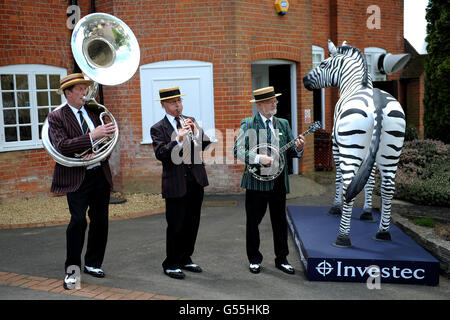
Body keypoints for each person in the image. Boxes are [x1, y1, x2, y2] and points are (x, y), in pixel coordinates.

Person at [47, 73, 116, 289]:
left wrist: (98, 150)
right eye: (79, 89)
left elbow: (109, 137)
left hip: (99, 174)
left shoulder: (95, 111)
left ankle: (94, 263)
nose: (84, 93)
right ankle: (72, 271)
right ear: (68, 93)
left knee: (100, 220)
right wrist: (91, 138)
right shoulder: (56, 117)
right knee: (78, 222)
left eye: (85, 88)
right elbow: (62, 146)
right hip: (77, 177)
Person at [234, 86, 305, 275]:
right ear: (260, 105)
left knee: (280, 222)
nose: (275, 104)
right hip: (256, 182)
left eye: (275, 100)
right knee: (253, 222)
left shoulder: (283, 123)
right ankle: (254, 259)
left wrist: (298, 148)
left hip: (279, 182)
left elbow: (291, 151)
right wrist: (258, 158)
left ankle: (282, 259)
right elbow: (238, 151)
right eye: (271, 101)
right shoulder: (248, 124)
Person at [150, 86, 211, 280]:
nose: (178, 105)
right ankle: (171, 263)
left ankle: (186, 258)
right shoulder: (158, 128)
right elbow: (161, 154)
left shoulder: (189, 120)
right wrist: (178, 138)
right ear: (163, 105)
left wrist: (196, 131)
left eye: (179, 101)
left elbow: (205, 144)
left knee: (193, 223)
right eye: (173, 102)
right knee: (176, 225)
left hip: (195, 180)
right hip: (175, 184)